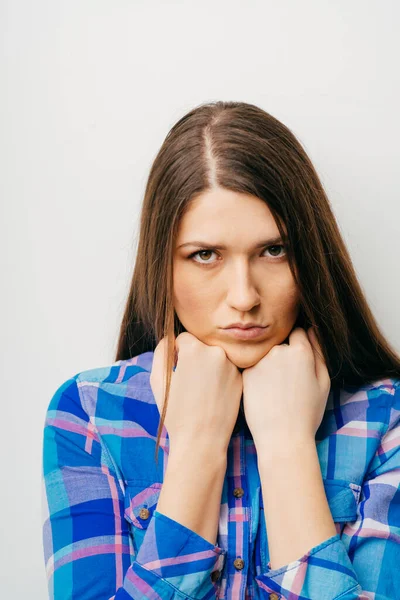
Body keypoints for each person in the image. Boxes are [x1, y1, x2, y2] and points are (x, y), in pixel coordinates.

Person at [41, 101, 400, 600]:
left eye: (274, 251)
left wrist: (288, 447)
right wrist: (196, 448)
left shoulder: (388, 418)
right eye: (205, 255)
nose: (245, 297)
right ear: (162, 265)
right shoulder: (89, 413)